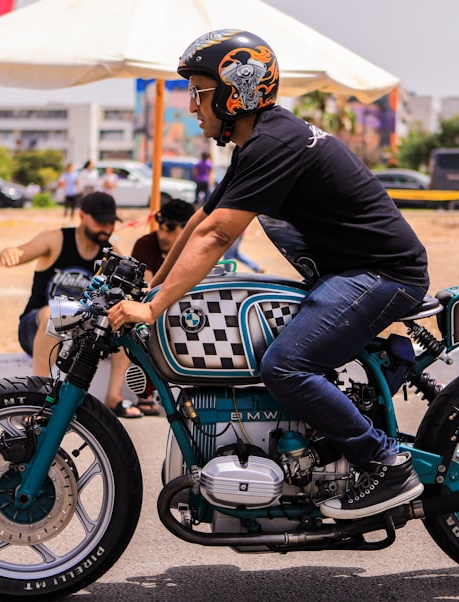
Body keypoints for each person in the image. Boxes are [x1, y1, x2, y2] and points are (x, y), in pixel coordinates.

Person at [106, 30, 430, 519]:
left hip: (382, 275)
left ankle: (385, 464)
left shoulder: (275, 142)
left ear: (238, 91)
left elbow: (217, 237)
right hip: (346, 274)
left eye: (199, 92)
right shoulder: (259, 142)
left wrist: (153, 307)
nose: (192, 106)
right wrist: (152, 288)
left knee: (285, 366)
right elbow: (199, 220)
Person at [0, 191, 133, 417]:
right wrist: (9, 252)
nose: (106, 229)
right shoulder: (56, 240)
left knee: (124, 319)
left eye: (111, 223)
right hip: (36, 327)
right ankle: (39, 396)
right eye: (100, 222)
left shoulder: (111, 256)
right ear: (82, 216)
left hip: (81, 335)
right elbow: (21, 251)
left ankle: (114, 396)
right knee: (53, 313)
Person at [113, 198, 198, 418]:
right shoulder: (145, 244)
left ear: (186, 228)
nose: (162, 234)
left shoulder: (199, 249)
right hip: (154, 313)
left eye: (169, 229)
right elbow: (148, 291)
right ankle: (144, 393)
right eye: (160, 227)